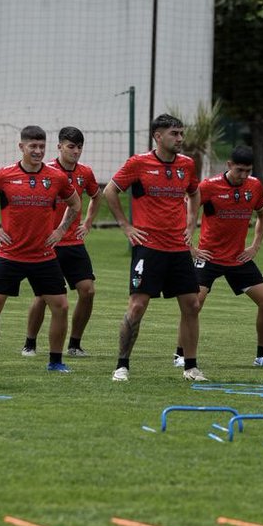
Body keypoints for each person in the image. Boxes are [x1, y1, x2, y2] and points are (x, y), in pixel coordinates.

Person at [0, 125, 81, 373]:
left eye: (41, 146)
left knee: (61, 306)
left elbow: (75, 203)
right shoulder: (4, 175)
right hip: (10, 255)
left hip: (44, 256)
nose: (38, 151)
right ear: (22, 147)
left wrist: (61, 230)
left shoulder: (56, 177)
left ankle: (55, 362)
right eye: (33, 146)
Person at [104, 113, 204, 383]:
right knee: (137, 306)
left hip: (178, 249)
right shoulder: (138, 163)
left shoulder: (187, 165)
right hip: (148, 248)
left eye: (182, 133)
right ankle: (122, 365)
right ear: (158, 136)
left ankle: (191, 367)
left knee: (192, 305)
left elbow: (195, 193)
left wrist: (191, 223)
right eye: (175, 134)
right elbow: (110, 191)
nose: (180, 139)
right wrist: (126, 226)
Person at [181, 145, 263, 368]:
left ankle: (261, 356)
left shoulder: (254, 186)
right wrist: (190, 247)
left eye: (248, 171)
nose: (244, 175)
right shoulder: (209, 187)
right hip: (209, 257)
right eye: (240, 170)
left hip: (238, 258)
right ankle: (180, 355)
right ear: (229, 165)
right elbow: (187, 211)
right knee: (193, 304)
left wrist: (255, 246)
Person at [21, 126, 101, 358]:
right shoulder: (46, 171)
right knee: (44, 297)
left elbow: (97, 196)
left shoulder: (85, 173)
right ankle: (30, 343)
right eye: (70, 147)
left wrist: (87, 223)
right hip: (48, 245)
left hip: (74, 244)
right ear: (59, 147)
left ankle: (74, 344)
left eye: (79, 147)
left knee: (88, 291)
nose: (75, 151)